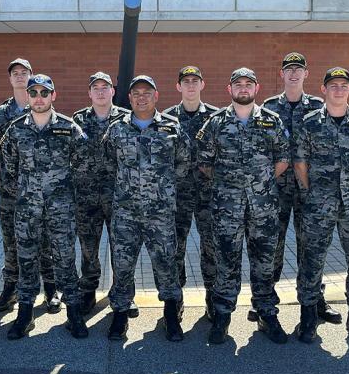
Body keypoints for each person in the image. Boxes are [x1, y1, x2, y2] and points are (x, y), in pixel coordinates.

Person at [197, 67, 290, 345]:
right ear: (230, 90)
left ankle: (266, 314)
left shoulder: (271, 121)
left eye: (248, 84)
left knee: (265, 262)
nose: (243, 89)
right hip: (227, 209)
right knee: (226, 262)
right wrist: (230, 185)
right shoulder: (215, 122)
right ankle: (223, 315)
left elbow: (283, 157)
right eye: (238, 84)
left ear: (256, 88)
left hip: (264, 207)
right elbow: (204, 161)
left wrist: (259, 183)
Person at [293, 67, 349, 344]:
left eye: (344, 85)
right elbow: (300, 164)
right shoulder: (309, 123)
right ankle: (308, 314)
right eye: (333, 85)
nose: (338, 90)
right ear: (323, 89)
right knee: (312, 260)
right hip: (318, 204)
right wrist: (312, 191)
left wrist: (348, 187)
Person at [1, 74, 89, 340]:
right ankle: (25, 315)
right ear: (27, 97)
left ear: (53, 96)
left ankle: (73, 314)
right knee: (26, 262)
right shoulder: (15, 129)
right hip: (27, 211)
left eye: (44, 93)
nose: (39, 98)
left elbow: (83, 165)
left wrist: (65, 194)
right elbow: (9, 169)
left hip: (61, 210)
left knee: (65, 261)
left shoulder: (69, 128)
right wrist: (26, 195)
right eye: (34, 93)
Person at [103, 75, 188, 342]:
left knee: (165, 263)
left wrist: (163, 189)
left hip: (160, 212)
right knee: (123, 263)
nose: (141, 97)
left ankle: (171, 313)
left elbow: (183, 164)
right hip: (126, 212)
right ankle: (120, 311)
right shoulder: (117, 130)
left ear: (156, 96)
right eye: (136, 93)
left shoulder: (172, 128)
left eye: (147, 92)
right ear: (129, 98)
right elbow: (108, 163)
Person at [262, 52, 342, 325]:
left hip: (312, 190)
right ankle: (266, 301)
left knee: (311, 247)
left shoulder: (320, 106)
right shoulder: (269, 108)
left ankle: (315, 299)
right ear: (282, 74)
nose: (294, 74)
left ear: (307, 74)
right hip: (278, 191)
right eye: (289, 69)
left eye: (299, 69)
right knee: (274, 245)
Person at [0, 58, 59, 314]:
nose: (19, 76)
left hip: (42, 192)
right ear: (10, 79)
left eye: (24, 73)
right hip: (11, 192)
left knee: (46, 240)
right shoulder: (2, 112)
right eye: (15, 73)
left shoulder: (44, 105)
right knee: (11, 240)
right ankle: (11, 287)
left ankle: (51, 289)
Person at [71, 72, 138, 317]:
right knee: (88, 246)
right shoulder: (77, 120)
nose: (100, 91)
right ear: (89, 93)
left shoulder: (126, 118)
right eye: (95, 88)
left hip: (118, 196)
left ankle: (124, 293)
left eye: (105, 87)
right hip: (86, 196)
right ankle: (88, 290)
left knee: (122, 248)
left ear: (113, 91)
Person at [162, 66, 219, 320]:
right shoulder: (166, 119)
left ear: (202, 85)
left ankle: (213, 298)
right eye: (186, 81)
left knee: (212, 247)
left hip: (209, 195)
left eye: (196, 81)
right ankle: (175, 299)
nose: (191, 85)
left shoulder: (216, 117)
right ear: (179, 87)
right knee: (175, 248)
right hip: (178, 195)